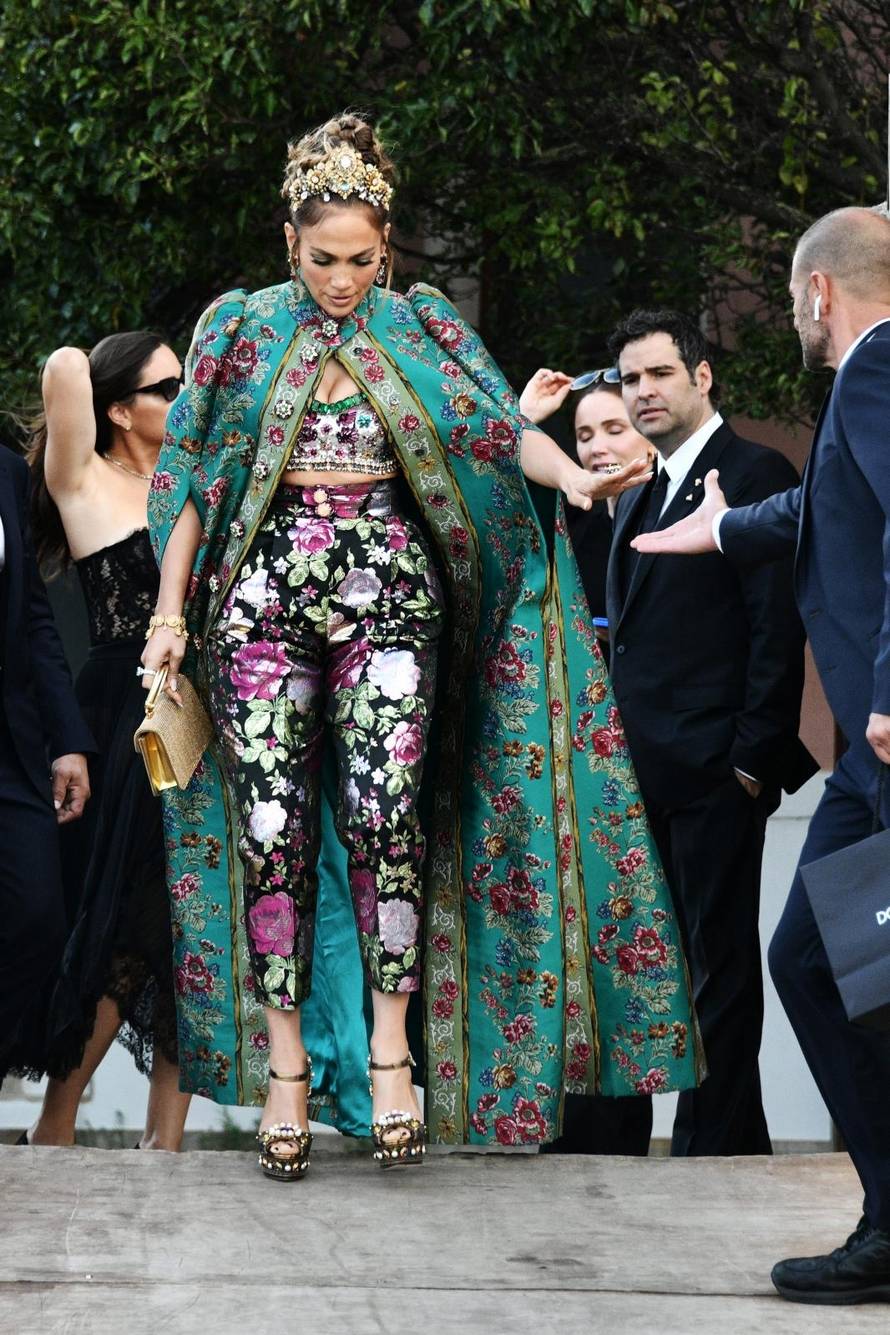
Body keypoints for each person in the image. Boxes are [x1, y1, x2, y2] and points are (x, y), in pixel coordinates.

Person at [140, 111, 702, 1181]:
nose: (341, 280)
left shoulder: (423, 326)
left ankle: (393, 1056)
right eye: (321, 260)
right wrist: (170, 615)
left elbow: (499, 431)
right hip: (259, 604)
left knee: (388, 813)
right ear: (287, 244)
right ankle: (288, 1071)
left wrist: (576, 479)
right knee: (271, 830)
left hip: (393, 594)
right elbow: (189, 482)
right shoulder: (239, 329)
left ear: (385, 247)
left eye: (360, 260)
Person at [631, 206, 890, 1303]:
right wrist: (721, 529)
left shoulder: (877, 370)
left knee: (816, 965)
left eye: (791, 299)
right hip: (870, 761)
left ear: (819, 292)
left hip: (883, 735)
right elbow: (826, 512)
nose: (791, 316)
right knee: (814, 963)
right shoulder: (865, 382)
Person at [605, 308, 817, 1158]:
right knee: (649, 971)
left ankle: (718, 1150)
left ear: (702, 377)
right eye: (630, 379)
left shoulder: (754, 469)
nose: (644, 392)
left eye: (660, 374)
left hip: (714, 776)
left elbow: (778, 627)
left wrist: (750, 765)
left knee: (719, 973)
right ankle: (690, 1138)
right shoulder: (642, 487)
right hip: (639, 777)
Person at [15, 333, 191, 1151]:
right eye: (169, 386)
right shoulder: (83, 481)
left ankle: (168, 1143)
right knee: (120, 919)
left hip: (203, 712)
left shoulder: (193, 485)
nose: (187, 395)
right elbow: (62, 368)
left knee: (194, 926)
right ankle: (57, 1123)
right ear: (119, 409)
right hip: (122, 717)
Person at [0, 443, 93, 1080]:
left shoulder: (6, 469)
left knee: (38, 916)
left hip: (11, 743)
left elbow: (33, 615)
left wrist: (68, 740)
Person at [519, 366, 654, 647]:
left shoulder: (678, 523)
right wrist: (523, 417)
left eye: (615, 430)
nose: (597, 448)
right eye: (585, 436)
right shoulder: (573, 529)